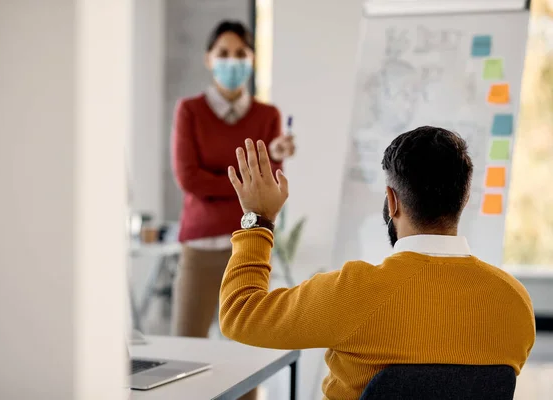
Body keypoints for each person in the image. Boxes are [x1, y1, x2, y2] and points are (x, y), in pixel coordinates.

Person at [220, 127, 535, 400]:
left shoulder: (354, 291)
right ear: (464, 199)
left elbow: (239, 314)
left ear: (392, 200)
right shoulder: (514, 301)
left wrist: (258, 221)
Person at [171, 21, 295, 338]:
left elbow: (267, 183)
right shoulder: (190, 111)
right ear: (208, 58)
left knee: (246, 351)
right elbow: (189, 179)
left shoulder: (268, 117)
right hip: (201, 245)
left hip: (250, 243)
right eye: (223, 53)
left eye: (241, 53)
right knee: (188, 343)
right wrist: (246, 185)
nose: (232, 60)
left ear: (252, 59)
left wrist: (273, 154)